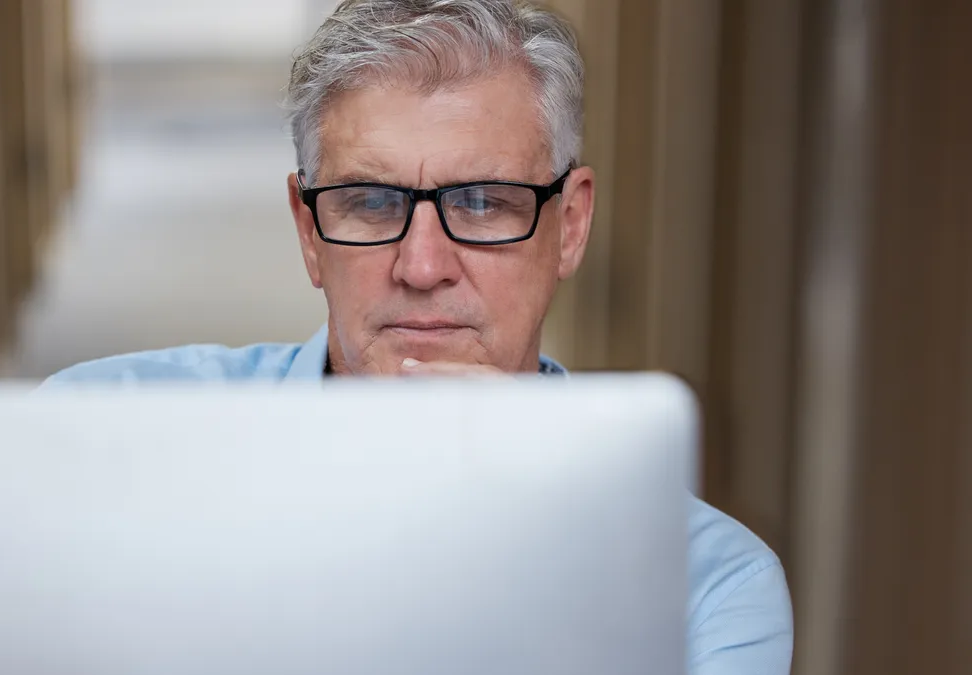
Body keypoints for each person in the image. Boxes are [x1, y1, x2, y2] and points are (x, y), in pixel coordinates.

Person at [45, 0, 793, 672]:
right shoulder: (98, 434)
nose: (423, 264)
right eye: (370, 202)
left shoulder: (710, 592)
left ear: (569, 227)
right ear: (310, 232)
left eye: (482, 202)